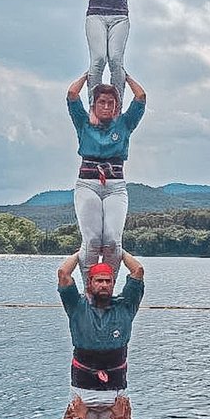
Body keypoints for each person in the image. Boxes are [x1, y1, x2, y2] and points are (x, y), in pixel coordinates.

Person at [58, 254, 144, 419]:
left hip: (114, 392)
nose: (104, 285)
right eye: (99, 281)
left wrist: (119, 251)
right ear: (90, 283)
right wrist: (81, 253)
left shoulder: (126, 307)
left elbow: (137, 271)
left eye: (108, 281)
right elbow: (64, 273)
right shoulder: (77, 306)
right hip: (83, 390)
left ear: (114, 283)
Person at [66, 71, 146, 279]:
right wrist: (88, 74)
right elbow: (72, 94)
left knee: (111, 240)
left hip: (115, 186)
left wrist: (123, 75)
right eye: (102, 102)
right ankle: (89, 289)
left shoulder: (124, 124)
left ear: (116, 106)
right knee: (92, 241)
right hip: (88, 183)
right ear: (94, 104)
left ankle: (107, 286)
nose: (106, 106)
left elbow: (141, 98)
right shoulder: (84, 122)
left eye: (111, 103)